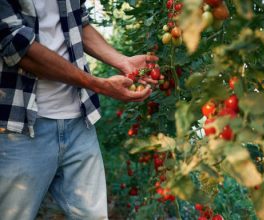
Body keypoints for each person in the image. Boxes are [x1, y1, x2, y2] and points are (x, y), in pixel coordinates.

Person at [0, 0, 158, 219]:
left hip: (78, 121)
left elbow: (78, 22)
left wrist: (123, 62)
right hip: (21, 126)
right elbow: (18, 46)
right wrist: (97, 84)